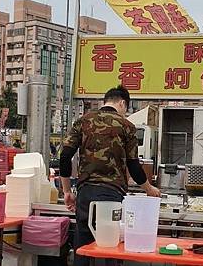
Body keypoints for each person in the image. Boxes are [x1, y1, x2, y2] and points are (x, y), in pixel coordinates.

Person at [60, 85, 161, 266]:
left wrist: (67, 191)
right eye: (126, 108)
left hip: (85, 193)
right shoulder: (127, 127)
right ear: (122, 103)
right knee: (110, 247)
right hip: (112, 195)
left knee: (82, 246)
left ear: (105, 101)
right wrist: (149, 189)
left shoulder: (83, 121)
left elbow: (65, 156)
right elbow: (134, 165)